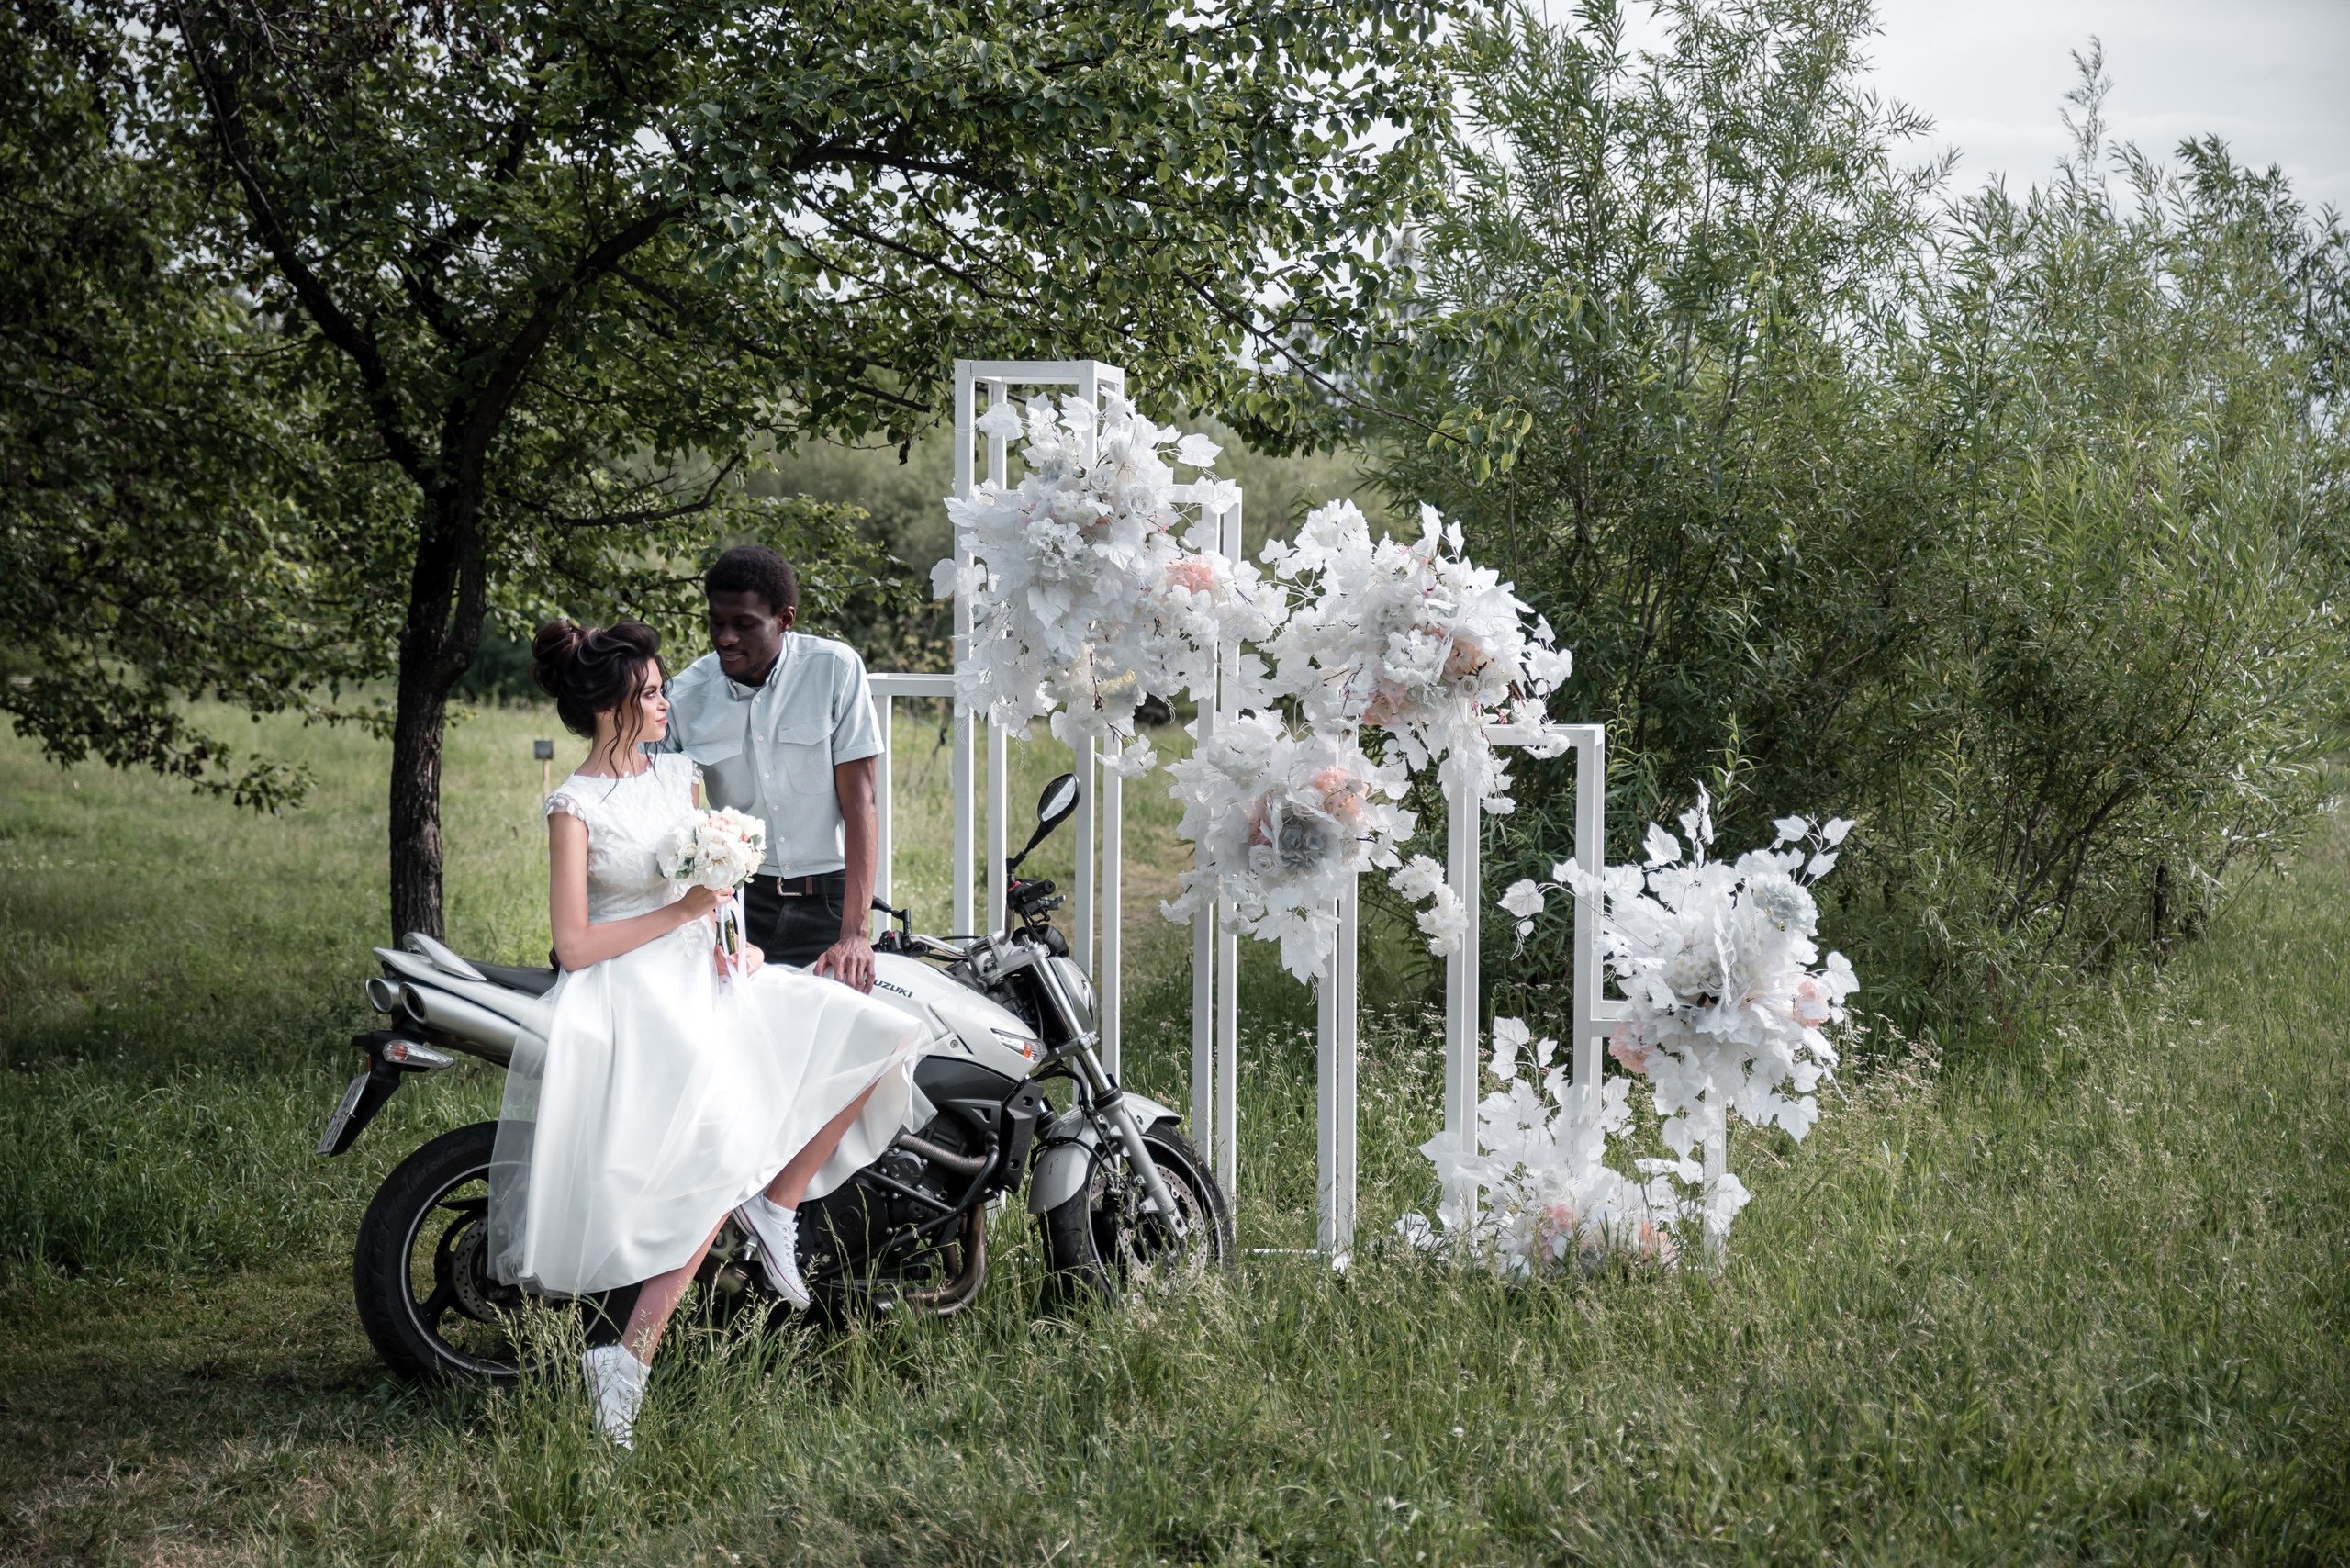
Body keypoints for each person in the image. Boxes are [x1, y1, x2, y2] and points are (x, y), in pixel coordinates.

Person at [488, 618, 921, 1448]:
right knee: (714, 1153)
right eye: (651, 693)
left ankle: (775, 1203)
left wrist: (730, 940)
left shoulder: (682, 775)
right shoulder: (572, 806)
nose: (665, 703)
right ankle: (627, 1362)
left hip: (712, 971)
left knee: (881, 1033)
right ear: (615, 703)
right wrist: (680, 914)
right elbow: (575, 945)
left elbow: (717, 889)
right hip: (631, 992)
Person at [655, 545, 882, 991]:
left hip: (831, 905)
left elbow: (861, 802)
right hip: (736, 903)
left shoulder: (835, 671)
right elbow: (660, 813)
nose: (725, 638)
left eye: (743, 625)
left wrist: (855, 934)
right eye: (716, 623)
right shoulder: (682, 696)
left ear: (785, 619)